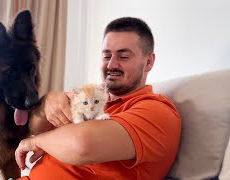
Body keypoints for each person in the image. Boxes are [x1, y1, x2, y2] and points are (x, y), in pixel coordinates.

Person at [15, 17, 181, 180]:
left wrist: (37, 142)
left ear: (149, 62)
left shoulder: (157, 111)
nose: (111, 65)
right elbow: (36, 127)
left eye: (123, 57)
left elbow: (82, 145)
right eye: (107, 56)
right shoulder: (91, 99)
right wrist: (48, 102)